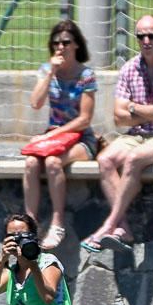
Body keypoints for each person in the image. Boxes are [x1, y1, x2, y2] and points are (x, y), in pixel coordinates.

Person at [81, 15, 153, 253]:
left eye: (152, 35)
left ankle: (109, 224)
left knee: (133, 159)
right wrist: (149, 110)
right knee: (105, 159)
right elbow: (119, 118)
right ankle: (123, 227)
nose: (146, 40)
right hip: (138, 135)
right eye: (141, 36)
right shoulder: (129, 68)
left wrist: (133, 107)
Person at [24, 19, 97, 250]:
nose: (60, 47)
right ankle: (30, 223)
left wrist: (49, 137)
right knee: (31, 163)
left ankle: (57, 223)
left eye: (66, 42)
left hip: (81, 139)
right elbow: (35, 103)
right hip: (54, 137)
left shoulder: (86, 75)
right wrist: (51, 73)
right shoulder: (47, 71)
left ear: (76, 45)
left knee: (54, 163)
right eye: (56, 42)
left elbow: (84, 119)